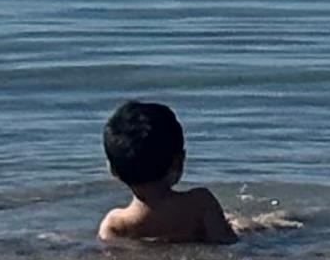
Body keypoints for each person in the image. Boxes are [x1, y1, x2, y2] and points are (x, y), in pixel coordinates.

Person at [96, 99, 237, 246]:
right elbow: (226, 242)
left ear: (112, 169)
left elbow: (108, 254)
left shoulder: (116, 224)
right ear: (179, 161)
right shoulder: (200, 203)